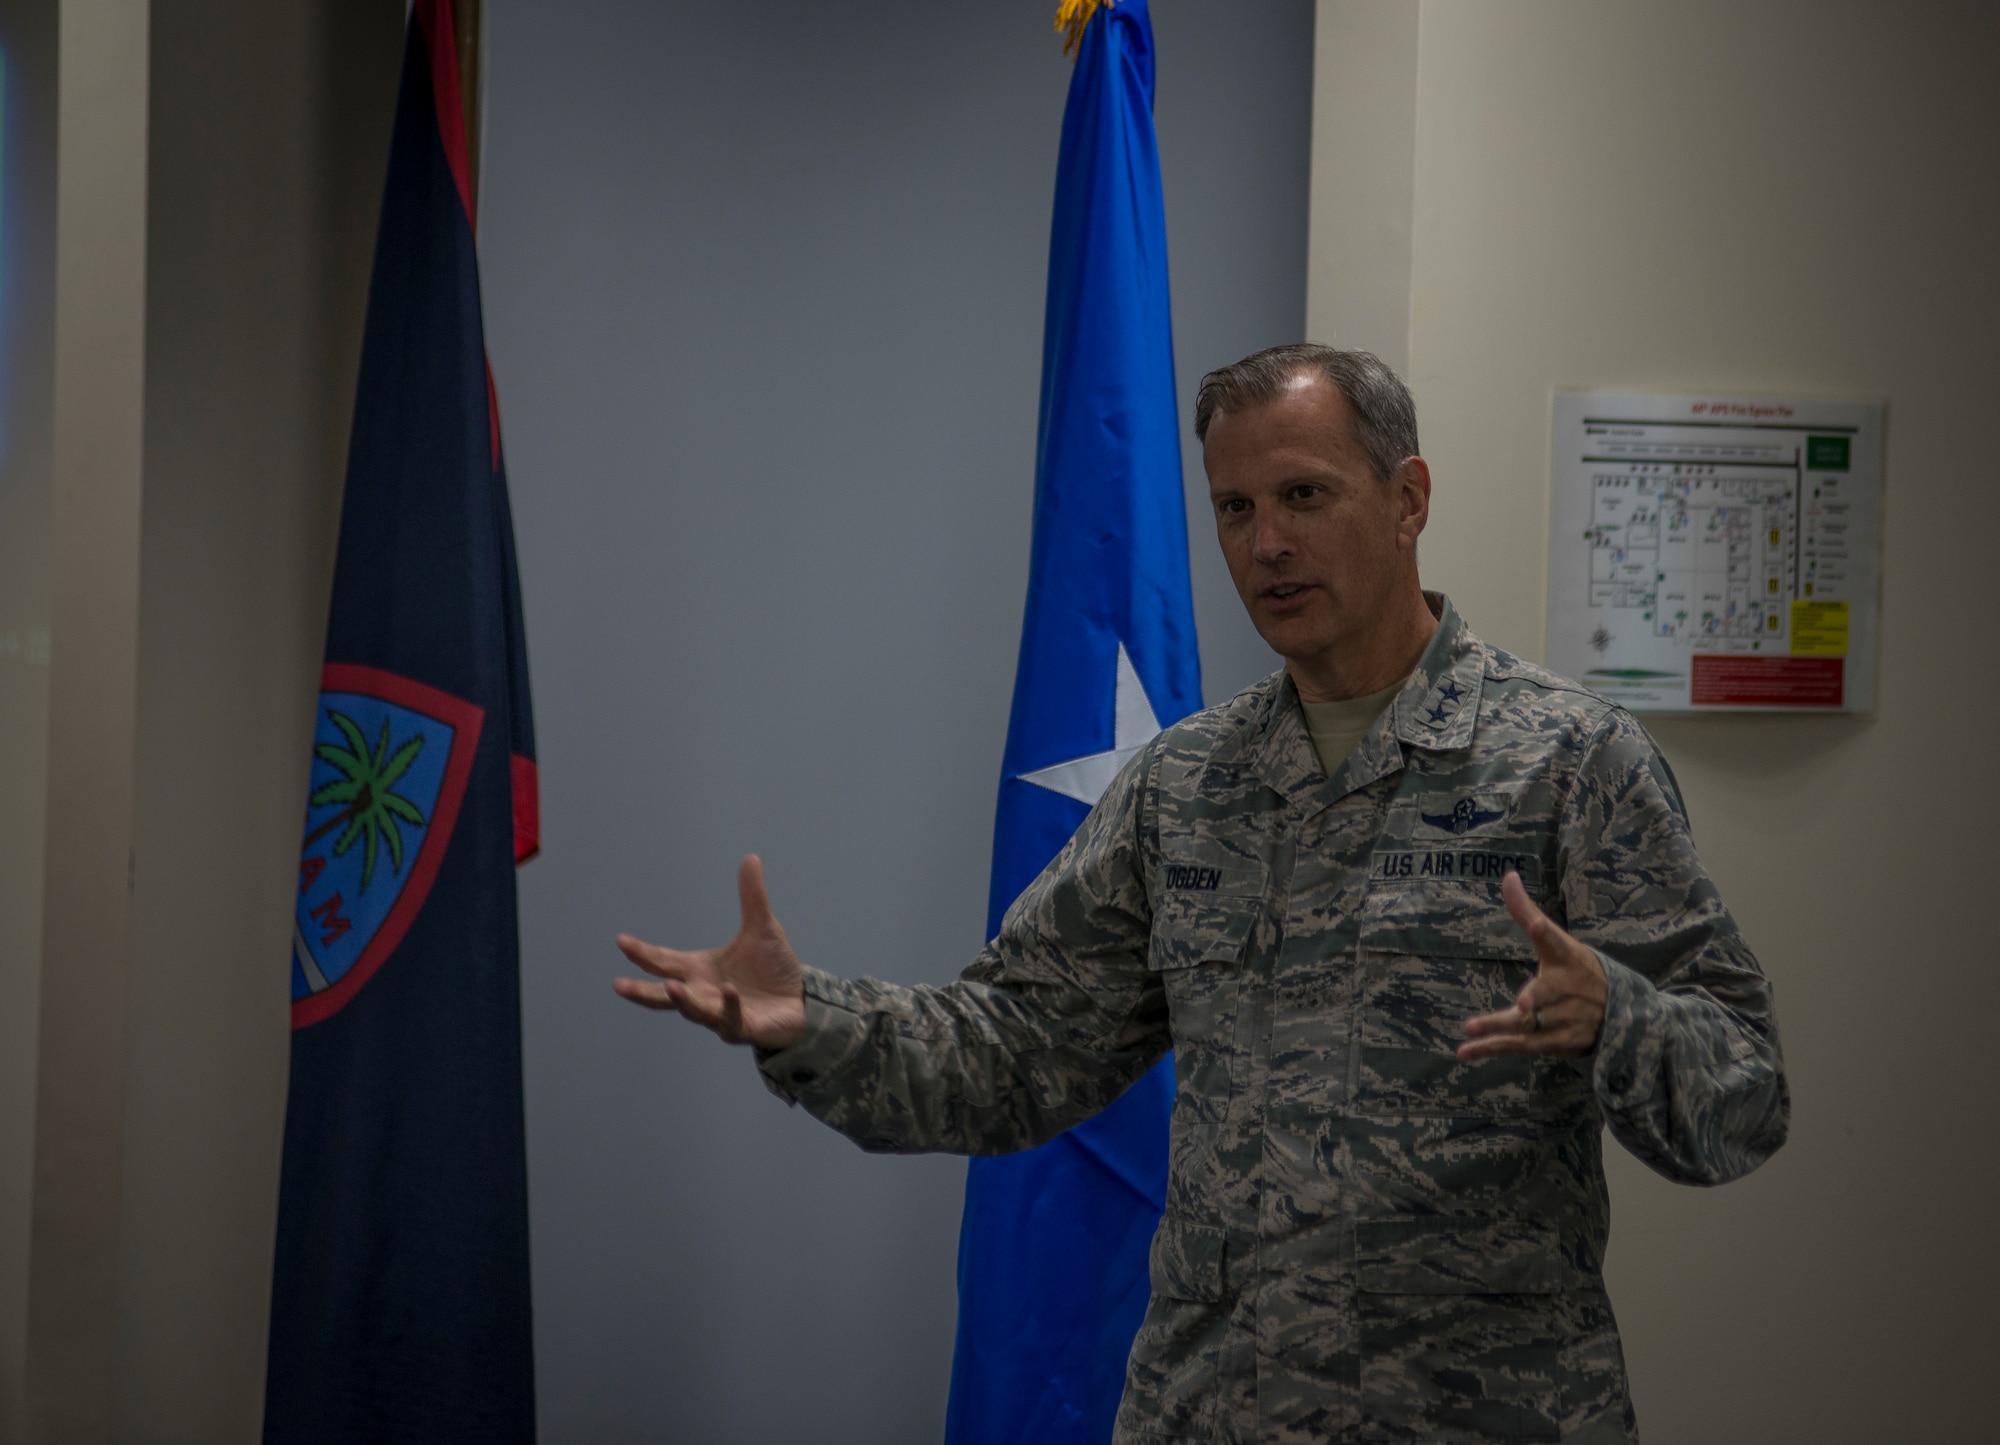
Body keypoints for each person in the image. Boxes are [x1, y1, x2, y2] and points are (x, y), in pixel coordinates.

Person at [613, 345, 1788, 1444]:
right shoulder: (1185, 784)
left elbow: (1744, 1095)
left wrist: (1617, 1015)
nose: (1264, 542)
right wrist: (812, 1019)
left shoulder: (1569, 762)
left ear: (1407, 498)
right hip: (1211, 1407)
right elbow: (1017, 1048)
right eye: (1234, 508)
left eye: (1303, 496)